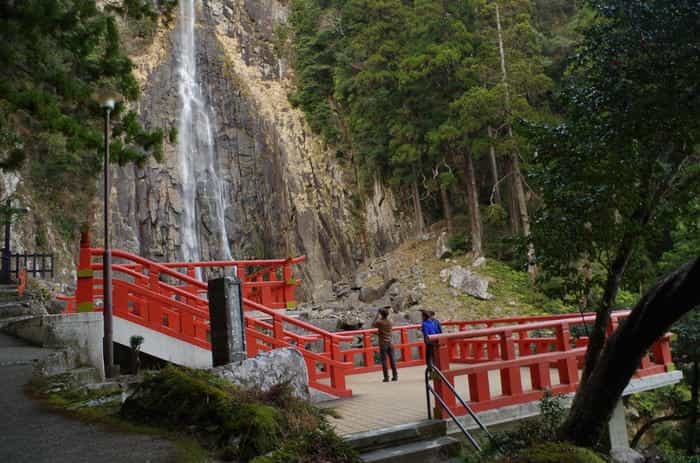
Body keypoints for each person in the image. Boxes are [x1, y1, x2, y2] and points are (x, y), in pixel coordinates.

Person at [372, 307, 398, 382]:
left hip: (383, 343)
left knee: (384, 360)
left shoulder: (380, 322)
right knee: (392, 359)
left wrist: (377, 314)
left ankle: (386, 377)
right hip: (390, 342)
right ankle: (395, 376)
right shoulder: (390, 322)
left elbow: (373, 324)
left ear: (381, 314)